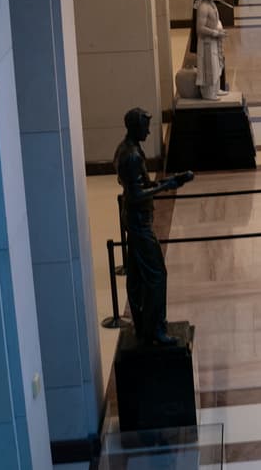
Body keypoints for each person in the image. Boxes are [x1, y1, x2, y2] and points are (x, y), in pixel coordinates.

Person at [114, 108, 193, 346]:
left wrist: (172, 180)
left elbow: (138, 185)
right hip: (139, 222)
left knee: (137, 276)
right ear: (135, 127)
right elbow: (137, 194)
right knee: (157, 275)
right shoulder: (131, 156)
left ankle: (142, 327)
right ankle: (156, 328)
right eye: (145, 127)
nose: (148, 131)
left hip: (135, 219)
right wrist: (166, 186)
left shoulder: (126, 149)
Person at [195, 0, 228, 99]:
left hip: (214, 40)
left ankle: (216, 89)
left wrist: (219, 31)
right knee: (210, 67)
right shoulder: (203, 7)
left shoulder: (211, 4)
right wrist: (215, 33)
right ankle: (208, 93)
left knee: (217, 65)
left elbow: (215, 21)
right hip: (207, 42)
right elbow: (200, 28)